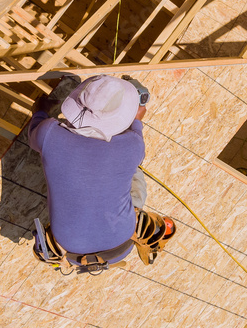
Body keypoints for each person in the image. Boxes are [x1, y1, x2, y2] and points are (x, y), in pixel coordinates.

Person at [28, 74, 172, 271]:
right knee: (135, 178)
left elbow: (35, 129)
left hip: (67, 252)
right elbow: (135, 125)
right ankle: (145, 239)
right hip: (120, 247)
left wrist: (40, 110)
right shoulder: (133, 145)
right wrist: (136, 119)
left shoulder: (48, 133)